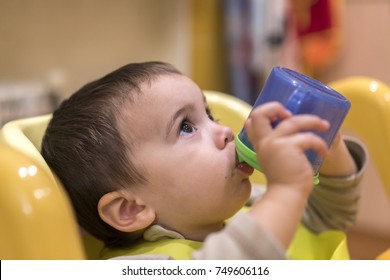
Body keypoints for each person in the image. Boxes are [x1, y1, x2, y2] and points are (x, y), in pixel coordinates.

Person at [41, 61, 367, 259]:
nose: (224, 129)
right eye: (185, 127)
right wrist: (287, 192)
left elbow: (328, 216)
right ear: (131, 208)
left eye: (209, 114)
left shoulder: (253, 204)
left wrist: (327, 150)